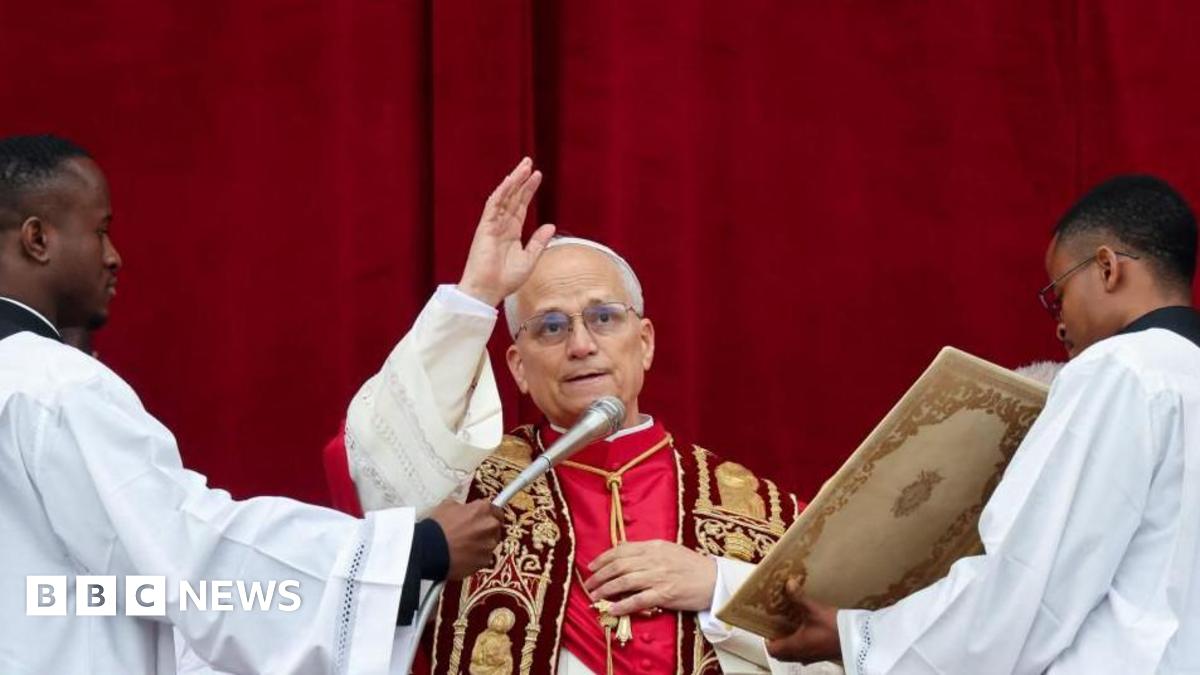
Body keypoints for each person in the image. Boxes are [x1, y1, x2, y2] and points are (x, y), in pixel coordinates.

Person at [0, 134, 501, 674]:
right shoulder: (51, 386)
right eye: (100, 231)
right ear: (37, 239)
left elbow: (78, 590)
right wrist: (410, 553)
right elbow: (189, 561)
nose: (113, 256)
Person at [326, 162, 839, 674]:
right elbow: (374, 464)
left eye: (604, 317)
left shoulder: (760, 511)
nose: (581, 345)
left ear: (645, 344)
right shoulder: (467, 494)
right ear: (518, 367)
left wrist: (719, 586)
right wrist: (476, 294)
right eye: (550, 326)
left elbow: (846, 644)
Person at [765, 174, 1200, 674]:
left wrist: (857, 635)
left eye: (1058, 296)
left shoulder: (1118, 371)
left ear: (1106, 268)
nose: (1059, 324)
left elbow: (1026, 589)